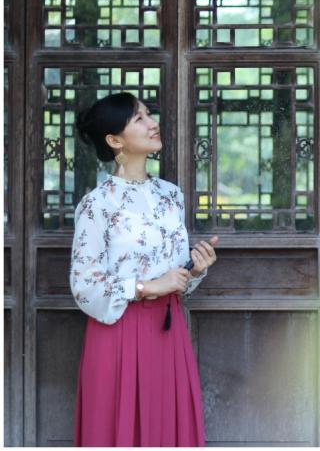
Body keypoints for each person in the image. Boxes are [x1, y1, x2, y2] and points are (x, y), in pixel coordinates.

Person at [70, 92, 218, 446]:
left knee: (166, 431)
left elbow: (175, 276)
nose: (152, 123)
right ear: (114, 140)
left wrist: (194, 271)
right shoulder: (96, 205)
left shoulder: (171, 196)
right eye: (139, 118)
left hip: (168, 331)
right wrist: (148, 287)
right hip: (117, 332)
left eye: (149, 114)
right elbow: (83, 287)